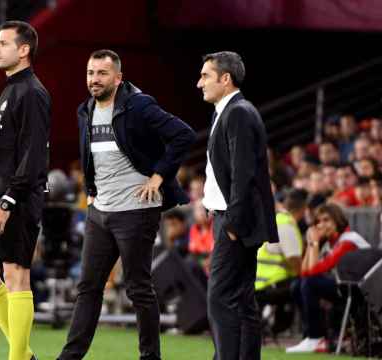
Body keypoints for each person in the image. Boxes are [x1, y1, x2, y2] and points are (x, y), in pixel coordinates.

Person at [57, 49, 195, 360]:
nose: (94, 79)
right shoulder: (85, 110)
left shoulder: (139, 105)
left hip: (136, 211)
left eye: (102, 73)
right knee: (88, 289)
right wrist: (91, 189)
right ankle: (69, 357)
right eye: (91, 73)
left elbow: (183, 135)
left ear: (118, 78)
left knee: (138, 289)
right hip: (99, 212)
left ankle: (150, 357)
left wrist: (159, 177)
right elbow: (91, 157)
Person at [0, 20, 50, 360]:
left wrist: (9, 200)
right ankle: (25, 355)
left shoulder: (32, 92)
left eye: (2, 43)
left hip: (18, 196)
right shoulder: (12, 88)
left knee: (17, 275)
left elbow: (33, 154)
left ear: (24, 49)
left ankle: (17, 357)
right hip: (0, 195)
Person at [197, 51, 278, 359]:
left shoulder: (239, 112)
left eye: (206, 75)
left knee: (220, 298)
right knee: (242, 300)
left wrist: (232, 222)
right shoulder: (227, 111)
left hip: (234, 220)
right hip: (229, 216)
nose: (199, 82)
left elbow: (243, 174)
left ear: (225, 79)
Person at [286, 203, 371, 353]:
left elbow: (314, 272)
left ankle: (315, 337)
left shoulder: (348, 240)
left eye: (326, 220)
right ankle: (312, 336)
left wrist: (315, 242)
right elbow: (304, 272)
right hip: (346, 288)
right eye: (318, 221)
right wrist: (311, 243)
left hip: (363, 292)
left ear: (337, 219)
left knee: (309, 283)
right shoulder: (330, 242)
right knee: (297, 285)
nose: (321, 225)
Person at [254, 189, 306, 335]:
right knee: (305, 286)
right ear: (303, 209)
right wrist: (304, 275)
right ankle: (311, 332)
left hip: (259, 283)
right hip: (271, 284)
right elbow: (294, 260)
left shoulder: (276, 220)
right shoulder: (287, 225)